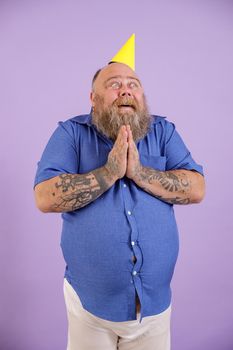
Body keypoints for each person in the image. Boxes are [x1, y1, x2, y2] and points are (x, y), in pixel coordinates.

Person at [34, 62, 205, 350]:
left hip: (154, 308)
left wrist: (139, 173)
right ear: (93, 98)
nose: (125, 90)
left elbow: (197, 188)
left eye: (133, 84)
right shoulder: (71, 133)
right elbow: (45, 197)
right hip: (90, 307)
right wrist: (109, 172)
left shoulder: (162, 131)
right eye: (114, 84)